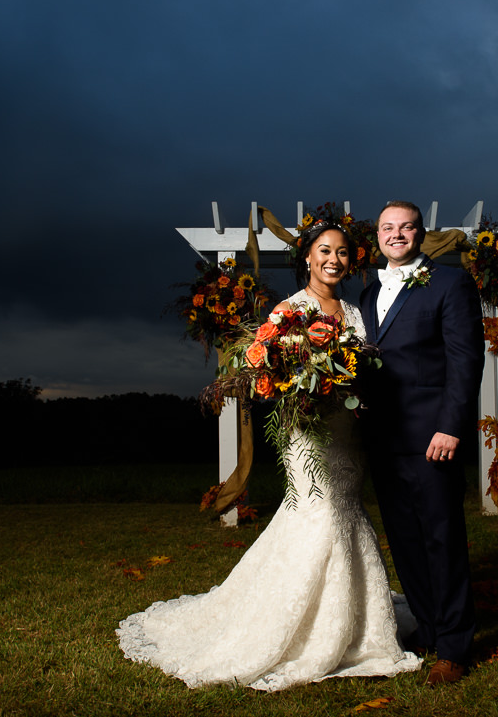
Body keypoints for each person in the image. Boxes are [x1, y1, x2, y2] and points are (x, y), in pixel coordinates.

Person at [117, 221, 421, 690]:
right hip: (307, 435)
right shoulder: (289, 311)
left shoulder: (356, 312)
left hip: (347, 434)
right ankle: (302, 631)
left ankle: (353, 626)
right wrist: (303, 383)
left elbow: (369, 369)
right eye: (325, 251)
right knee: (317, 515)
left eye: (342, 253)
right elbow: (267, 376)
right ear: (307, 258)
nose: (334, 260)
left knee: (345, 512)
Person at [358, 200, 484, 686]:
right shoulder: (368, 294)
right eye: (388, 228)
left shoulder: (451, 283)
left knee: (442, 538)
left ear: (420, 233)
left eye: (405, 227)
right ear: (378, 236)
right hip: (385, 439)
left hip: (434, 436)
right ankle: (429, 629)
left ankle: (455, 645)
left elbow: (465, 360)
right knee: (406, 541)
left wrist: (451, 425)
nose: (396, 234)